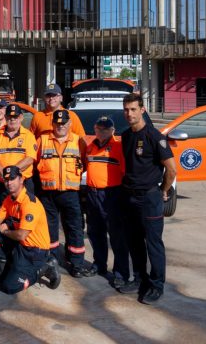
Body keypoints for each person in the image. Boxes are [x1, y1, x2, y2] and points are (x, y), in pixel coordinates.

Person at [119, 93, 176, 304]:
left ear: (142, 110)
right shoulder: (126, 136)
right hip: (130, 197)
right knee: (134, 242)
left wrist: (163, 190)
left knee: (153, 244)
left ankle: (156, 285)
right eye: (126, 109)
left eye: (133, 109)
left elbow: (171, 169)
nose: (129, 113)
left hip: (150, 198)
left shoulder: (155, 136)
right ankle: (139, 279)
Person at [0, 166, 61, 294]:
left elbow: (21, 235)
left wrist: (4, 231)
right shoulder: (9, 199)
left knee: (8, 287)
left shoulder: (30, 203)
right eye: (6, 180)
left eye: (12, 178)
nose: (9, 182)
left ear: (21, 179)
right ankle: (3, 267)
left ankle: (45, 267)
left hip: (35, 252)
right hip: (21, 246)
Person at [0, 103, 37, 265]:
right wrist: (4, 173)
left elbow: (30, 158)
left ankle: (22, 255)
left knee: (21, 220)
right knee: (0, 219)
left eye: (15, 117)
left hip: (22, 187)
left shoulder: (28, 135)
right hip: (0, 186)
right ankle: (3, 256)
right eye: (9, 117)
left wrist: (13, 173)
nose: (12, 120)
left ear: (21, 118)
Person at [35, 109, 93, 277]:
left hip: (70, 193)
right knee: (50, 230)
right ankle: (51, 261)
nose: (60, 126)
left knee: (74, 228)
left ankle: (76, 264)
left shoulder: (79, 141)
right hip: (48, 194)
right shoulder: (42, 139)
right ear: (52, 124)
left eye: (64, 123)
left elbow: (85, 163)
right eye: (57, 123)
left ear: (69, 124)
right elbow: (34, 162)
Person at [83, 116, 131, 286]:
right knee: (95, 232)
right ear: (95, 129)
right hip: (92, 194)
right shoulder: (90, 147)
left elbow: (126, 173)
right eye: (98, 128)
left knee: (117, 235)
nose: (101, 131)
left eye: (105, 129)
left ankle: (121, 273)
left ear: (113, 130)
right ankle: (99, 264)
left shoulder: (119, 147)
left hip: (112, 195)